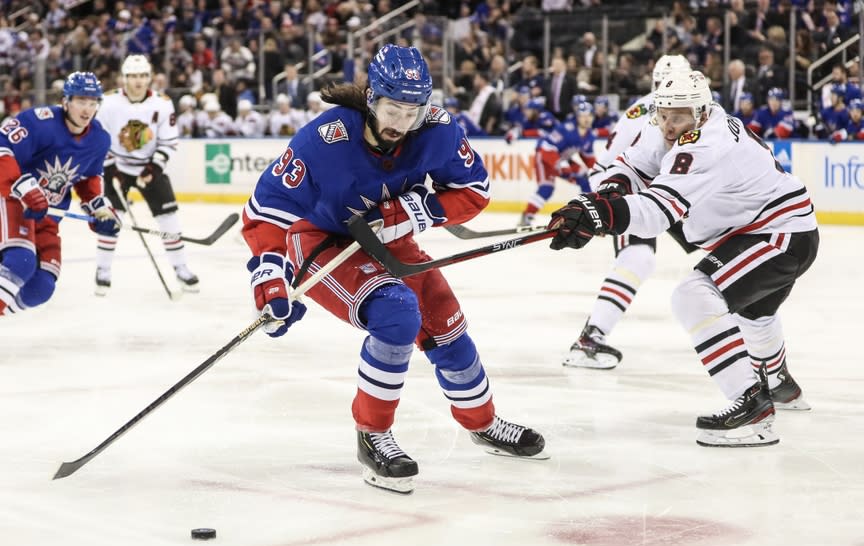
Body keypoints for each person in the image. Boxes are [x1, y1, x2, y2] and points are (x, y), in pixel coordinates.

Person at [241, 44, 547, 494]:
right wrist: (270, 276)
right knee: (396, 312)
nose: (400, 124)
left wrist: (418, 211)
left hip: (390, 238)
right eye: (391, 109)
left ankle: (482, 422)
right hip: (325, 242)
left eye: (411, 112)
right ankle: (373, 435)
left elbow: (475, 190)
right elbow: (266, 210)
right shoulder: (323, 139)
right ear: (371, 100)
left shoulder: (437, 131)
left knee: (445, 320)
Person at [547, 70, 818, 447]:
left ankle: (752, 405)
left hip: (781, 234)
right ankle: (779, 384)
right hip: (768, 229)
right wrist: (605, 197)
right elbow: (633, 165)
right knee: (755, 313)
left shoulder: (707, 144)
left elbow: (659, 211)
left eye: (680, 116)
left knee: (693, 295)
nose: (669, 125)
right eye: (663, 114)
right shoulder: (671, 125)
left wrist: (599, 215)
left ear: (702, 113)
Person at [563, 55, 695, 369]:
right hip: (638, 192)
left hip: (669, 194)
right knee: (638, 257)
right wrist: (605, 205)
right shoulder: (643, 112)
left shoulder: (698, 113)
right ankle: (590, 339)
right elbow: (607, 164)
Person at [0, 71, 121, 315]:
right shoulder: (38, 122)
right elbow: (2, 147)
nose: (87, 109)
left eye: (92, 102)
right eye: (80, 101)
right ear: (65, 101)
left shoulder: (99, 139)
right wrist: (25, 188)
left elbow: (89, 179)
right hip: (14, 200)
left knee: (41, 288)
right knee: (20, 262)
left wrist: (101, 211)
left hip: (48, 215)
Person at [93, 54, 198, 296]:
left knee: (169, 218)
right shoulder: (107, 102)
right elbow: (98, 138)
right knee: (110, 217)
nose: (138, 81)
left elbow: (169, 141)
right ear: (124, 78)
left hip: (149, 166)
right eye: (132, 76)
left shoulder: (162, 103)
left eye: (142, 76)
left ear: (149, 77)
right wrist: (110, 169)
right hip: (117, 166)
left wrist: (153, 169)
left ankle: (181, 268)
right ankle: (103, 270)